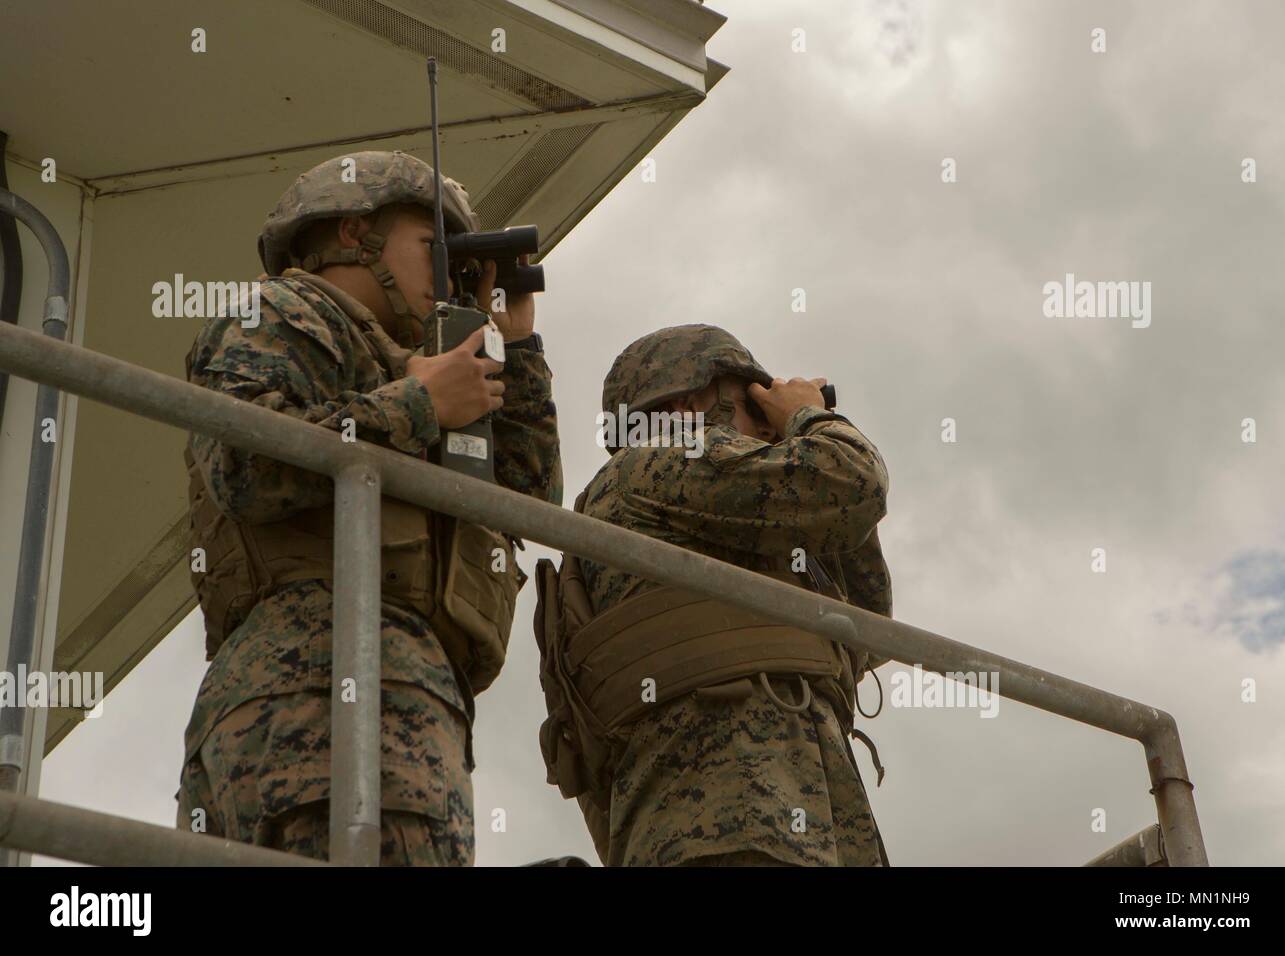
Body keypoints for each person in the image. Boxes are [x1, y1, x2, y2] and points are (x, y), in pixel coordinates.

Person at [176, 150, 561, 865]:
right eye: (434, 247)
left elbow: (531, 499)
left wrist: (514, 345)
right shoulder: (280, 312)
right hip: (318, 681)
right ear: (356, 235)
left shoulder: (420, 361)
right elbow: (246, 463)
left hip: (398, 686)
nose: (449, 275)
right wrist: (418, 404)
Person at [534, 324, 890, 866]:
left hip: (783, 824)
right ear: (687, 404)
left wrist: (798, 455)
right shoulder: (654, 465)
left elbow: (869, 622)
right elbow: (856, 485)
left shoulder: (691, 509)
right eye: (750, 399)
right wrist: (810, 418)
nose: (760, 416)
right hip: (735, 821)